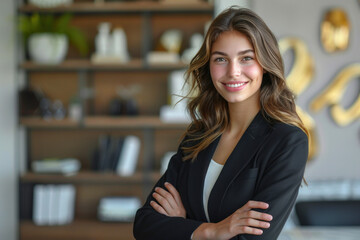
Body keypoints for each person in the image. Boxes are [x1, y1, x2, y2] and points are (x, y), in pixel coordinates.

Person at [133, 6, 308, 240]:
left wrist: (184, 227)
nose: (233, 71)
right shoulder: (198, 135)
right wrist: (212, 231)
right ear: (209, 66)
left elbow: (255, 239)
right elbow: (144, 224)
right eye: (220, 59)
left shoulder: (287, 141)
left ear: (264, 64)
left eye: (246, 58)